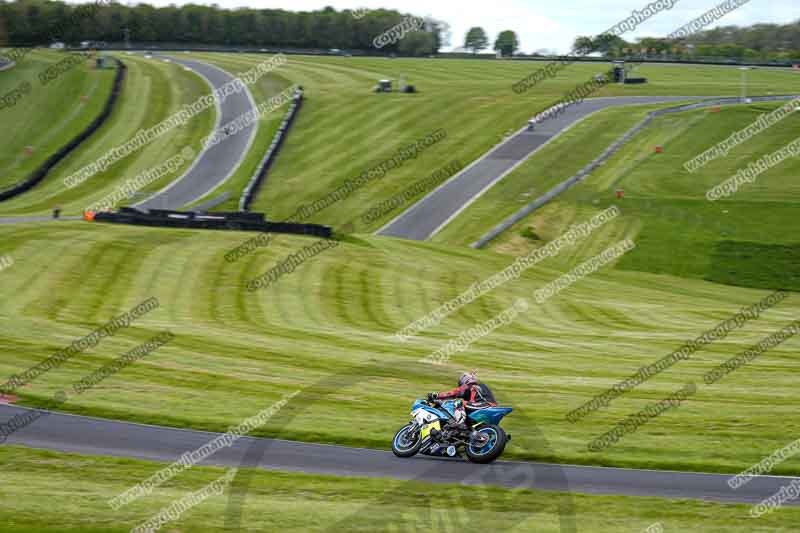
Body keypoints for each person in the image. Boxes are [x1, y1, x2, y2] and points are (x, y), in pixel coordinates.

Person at [428, 372, 497, 430]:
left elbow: (452, 393)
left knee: (458, 402)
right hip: (491, 406)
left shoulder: (469, 386)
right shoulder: (480, 386)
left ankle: (459, 424)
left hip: (483, 405)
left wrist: (436, 395)